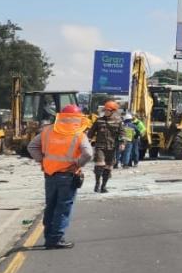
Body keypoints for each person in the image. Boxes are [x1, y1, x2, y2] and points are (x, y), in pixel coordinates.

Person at [27, 105, 93, 249]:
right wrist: (77, 164)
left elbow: (32, 147)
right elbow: (88, 154)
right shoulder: (79, 133)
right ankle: (56, 239)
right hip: (68, 176)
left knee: (50, 206)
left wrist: (42, 161)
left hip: (49, 174)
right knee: (63, 207)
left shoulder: (47, 130)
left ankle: (48, 237)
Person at [88, 100, 123, 193]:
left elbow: (122, 133)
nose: (106, 112)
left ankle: (103, 186)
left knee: (108, 167)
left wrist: (122, 143)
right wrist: (88, 140)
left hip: (112, 147)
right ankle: (97, 183)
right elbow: (91, 132)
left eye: (108, 110)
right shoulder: (99, 120)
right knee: (99, 165)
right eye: (105, 110)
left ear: (113, 111)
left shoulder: (118, 121)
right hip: (100, 146)